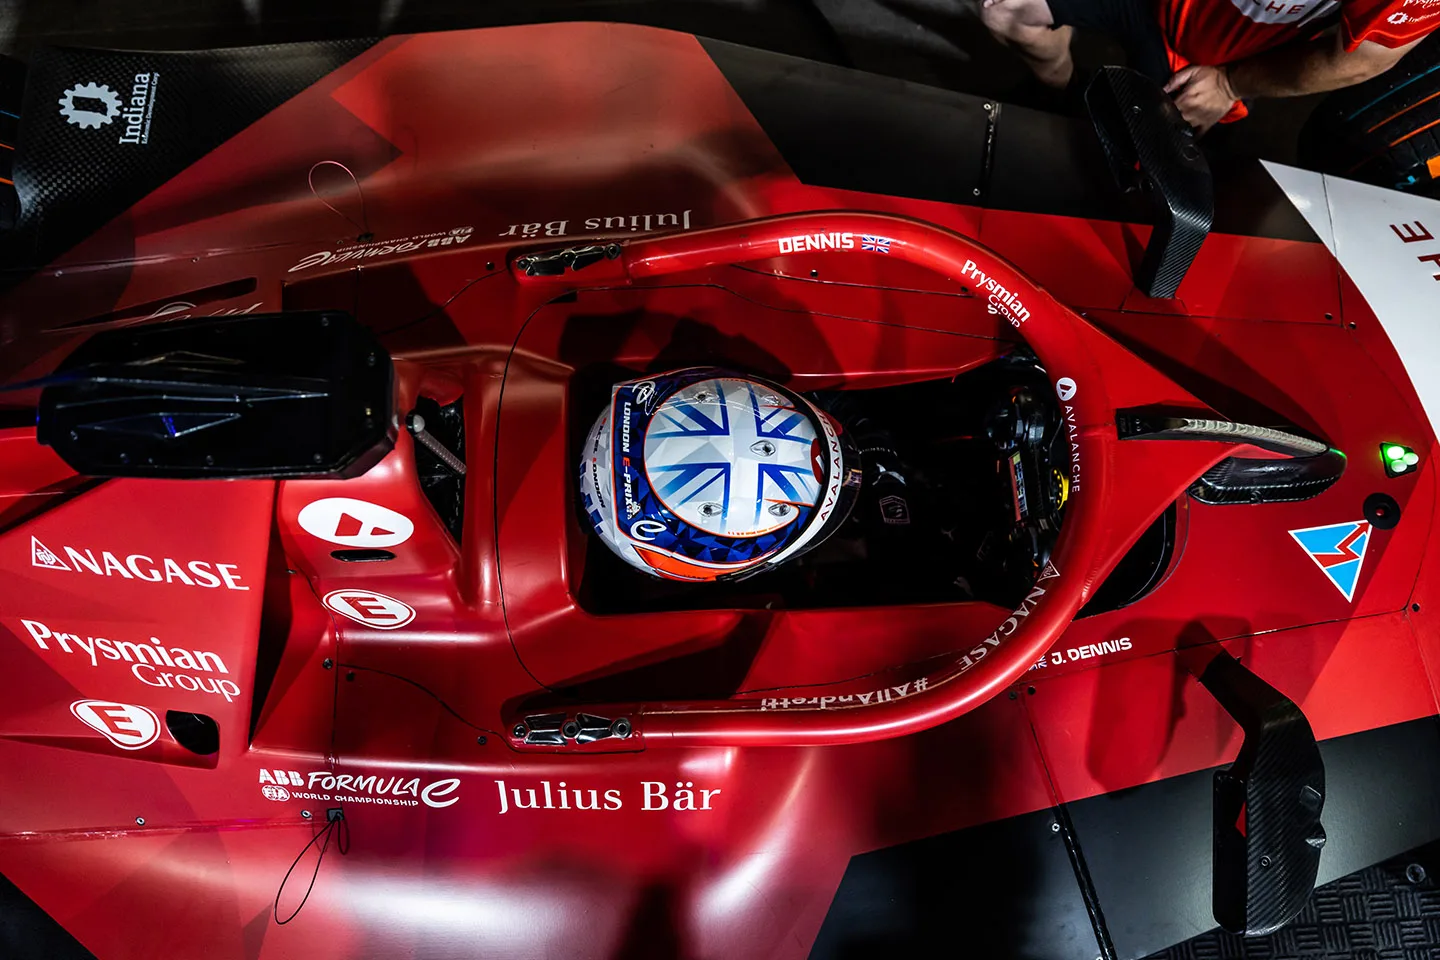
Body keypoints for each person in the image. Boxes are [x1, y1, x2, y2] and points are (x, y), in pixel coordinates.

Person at [978, 0, 1440, 132]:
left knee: (1136, 167)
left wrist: (1229, 84)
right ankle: (1061, 94)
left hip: (1205, 58)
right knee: (1007, 9)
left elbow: (1362, 58)